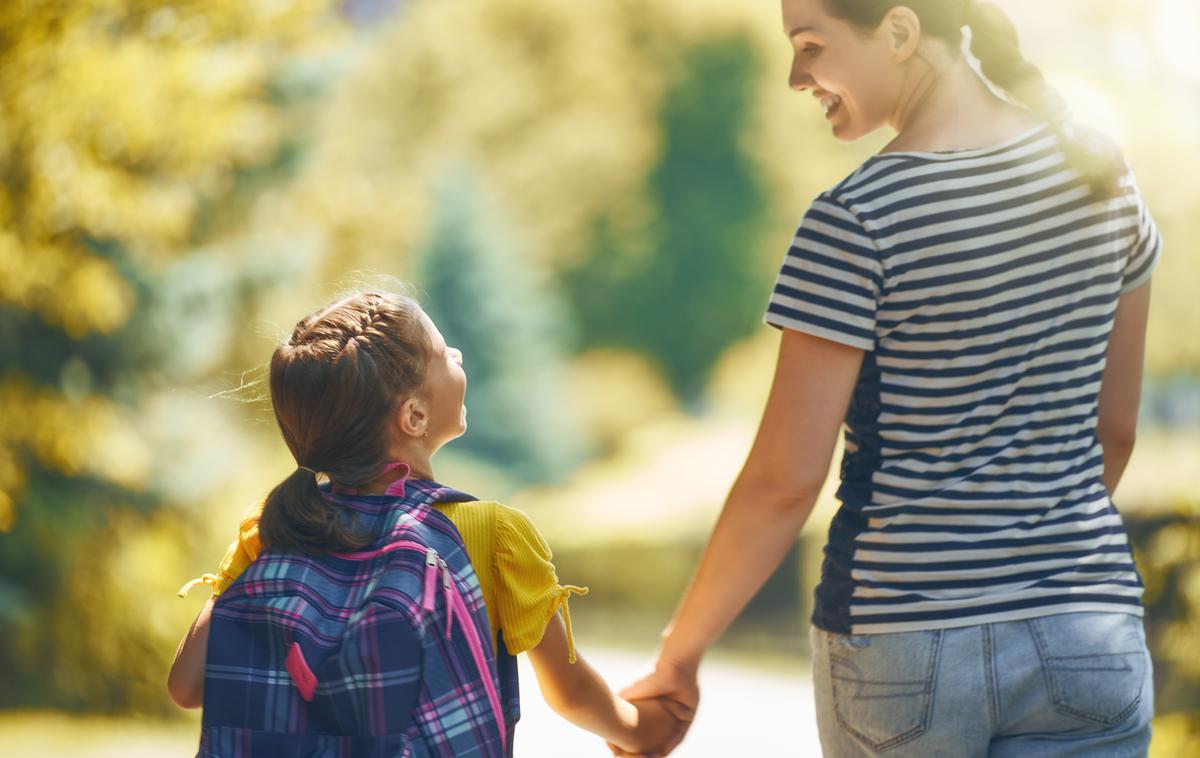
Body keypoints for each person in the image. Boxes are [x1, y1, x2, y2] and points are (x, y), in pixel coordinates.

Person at [620, 1, 1160, 756]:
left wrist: (677, 656)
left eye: (811, 46)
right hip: (1087, 628)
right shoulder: (1103, 179)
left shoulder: (858, 218)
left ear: (902, 32)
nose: (794, 76)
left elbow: (783, 480)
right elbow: (1115, 430)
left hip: (902, 646)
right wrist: (1033, 564)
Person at [168, 291, 677, 757]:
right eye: (440, 353)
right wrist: (639, 730)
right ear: (413, 416)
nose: (456, 354)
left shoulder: (275, 528)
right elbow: (569, 694)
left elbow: (187, 686)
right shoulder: (489, 534)